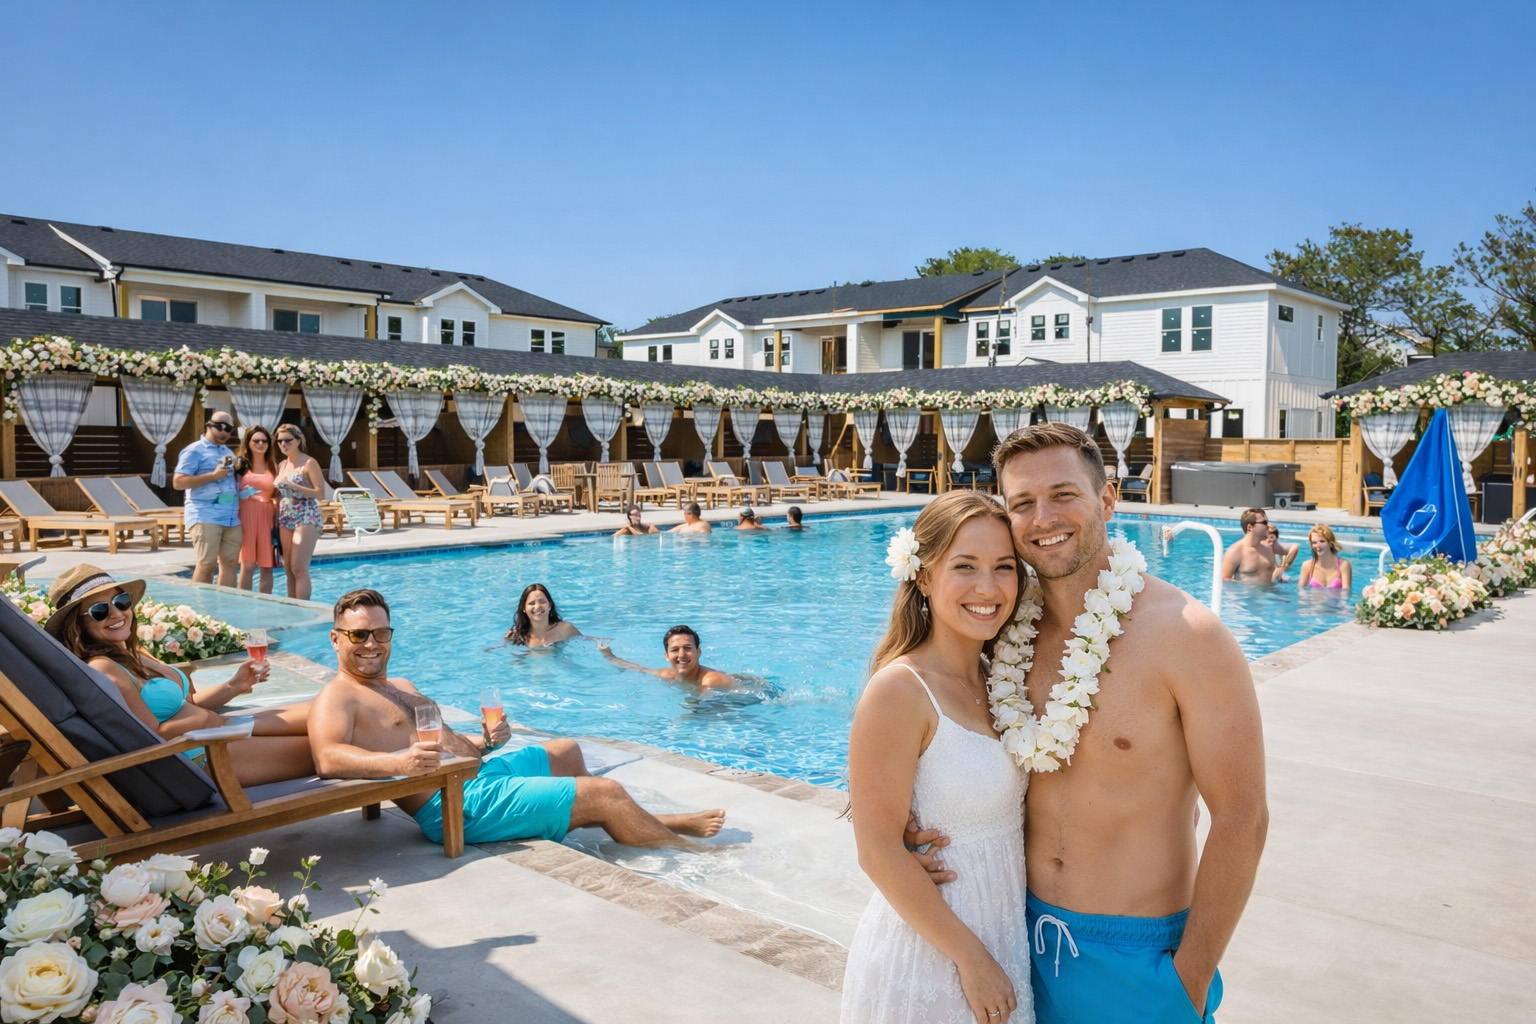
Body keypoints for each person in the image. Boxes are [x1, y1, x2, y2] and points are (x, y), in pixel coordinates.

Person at [911, 423, 1267, 1024]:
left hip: (1140, 959)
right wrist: (909, 836)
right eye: (1022, 503)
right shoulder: (998, 633)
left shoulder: (1187, 636)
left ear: (1106, 498)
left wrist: (1190, 979)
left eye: (1063, 494)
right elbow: (936, 738)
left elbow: (1242, 817)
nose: (1043, 517)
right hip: (1012, 940)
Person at [307, 589, 726, 847]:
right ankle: (685, 849)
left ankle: (642, 823)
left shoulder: (398, 683)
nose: (371, 644)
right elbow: (328, 758)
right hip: (452, 805)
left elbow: (441, 746)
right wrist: (397, 764)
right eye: (358, 635)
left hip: (477, 775)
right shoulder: (338, 696)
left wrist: (487, 740)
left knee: (566, 750)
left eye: (381, 633)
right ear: (335, 638)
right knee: (604, 791)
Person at [841, 491, 1030, 1024]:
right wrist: (971, 959)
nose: (988, 588)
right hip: (937, 950)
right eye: (964, 567)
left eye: (1004, 568)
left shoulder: (1003, 680)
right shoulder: (901, 690)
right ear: (922, 577)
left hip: (1004, 929)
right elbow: (877, 850)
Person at [44, 564, 313, 786]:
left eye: (120, 601)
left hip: (214, 733)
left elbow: (187, 704)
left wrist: (233, 686)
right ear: (78, 624)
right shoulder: (103, 668)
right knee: (325, 745)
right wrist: (203, 718)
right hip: (198, 759)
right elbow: (153, 737)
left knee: (325, 714)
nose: (116, 613)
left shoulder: (134, 652)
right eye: (99, 610)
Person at [172, 410, 243, 588]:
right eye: (219, 426)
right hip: (205, 515)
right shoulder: (194, 450)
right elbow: (178, 482)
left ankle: (226, 607)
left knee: (230, 565)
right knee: (207, 564)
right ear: (208, 426)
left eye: (228, 429)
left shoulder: (228, 452)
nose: (223, 431)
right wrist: (212, 475)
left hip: (231, 516)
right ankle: (201, 609)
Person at [273, 424, 324, 601]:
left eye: (288, 440)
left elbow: (320, 493)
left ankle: (304, 608)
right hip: (285, 515)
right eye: (279, 441)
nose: (283, 444)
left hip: (306, 514)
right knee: (288, 569)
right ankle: (292, 608)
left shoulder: (309, 463)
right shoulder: (282, 465)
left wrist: (295, 485)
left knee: (299, 568)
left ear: (298, 440)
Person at [599, 625, 735, 688]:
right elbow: (638, 669)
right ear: (667, 656)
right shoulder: (668, 675)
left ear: (698, 652)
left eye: (687, 648)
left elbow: (700, 711)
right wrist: (610, 656)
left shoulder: (710, 681)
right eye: (675, 650)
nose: (681, 655)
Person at [235, 425, 279, 594]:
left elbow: (278, 492)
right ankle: (244, 603)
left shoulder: (273, 466)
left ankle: (264, 603)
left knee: (267, 564)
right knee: (247, 563)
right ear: (248, 442)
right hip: (245, 516)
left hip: (267, 516)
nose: (260, 444)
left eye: (264, 441)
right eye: (256, 440)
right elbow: (229, 491)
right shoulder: (240, 464)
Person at [505, 583, 581, 646]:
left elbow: (587, 641)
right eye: (531, 603)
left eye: (542, 601)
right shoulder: (517, 636)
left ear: (550, 605)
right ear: (523, 608)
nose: (537, 607)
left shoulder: (565, 629)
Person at [1221, 508, 1285, 582]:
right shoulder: (1235, 551)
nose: (1268, 526)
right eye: (1264, 523)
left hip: (1270, 593)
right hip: (1245, 593)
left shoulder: (1269, 549)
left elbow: (1273, 576)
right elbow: (1224, 581)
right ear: (1250, 527)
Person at [1297, 523, 1351, 591]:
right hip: (1315, 601)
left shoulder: (1343, 565)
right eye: (1314, 543)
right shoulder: (1307, 566)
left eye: (1322, 541)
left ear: (1330, 543)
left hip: (1336, 601)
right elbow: (1301, 591)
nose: (1318, 546)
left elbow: (1346, 593)